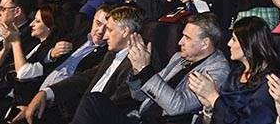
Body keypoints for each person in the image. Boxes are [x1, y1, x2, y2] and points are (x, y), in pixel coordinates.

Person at [64, 12, 231, 124]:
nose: (179, 42)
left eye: (186, 38)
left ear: (205, 43)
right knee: (93, 101)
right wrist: (137, 71)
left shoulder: (218, 70)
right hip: (140, 117)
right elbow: (139, 95)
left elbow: (177, 107)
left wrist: (146, 70)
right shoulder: (179, 57)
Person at [17, 6, 145, 124]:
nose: (104, 36)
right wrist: (45, 93)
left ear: (124, 31)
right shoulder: (111, 55)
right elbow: (83, 78)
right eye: (98, 24)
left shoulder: (136, 64)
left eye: (109, 30)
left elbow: (119, 103)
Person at [187, 16, 279, 124]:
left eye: (234, 39)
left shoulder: (270, 82)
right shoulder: (236, 73)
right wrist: (209, 108)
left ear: (249, 43)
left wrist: (213, 97)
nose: (229, 43)